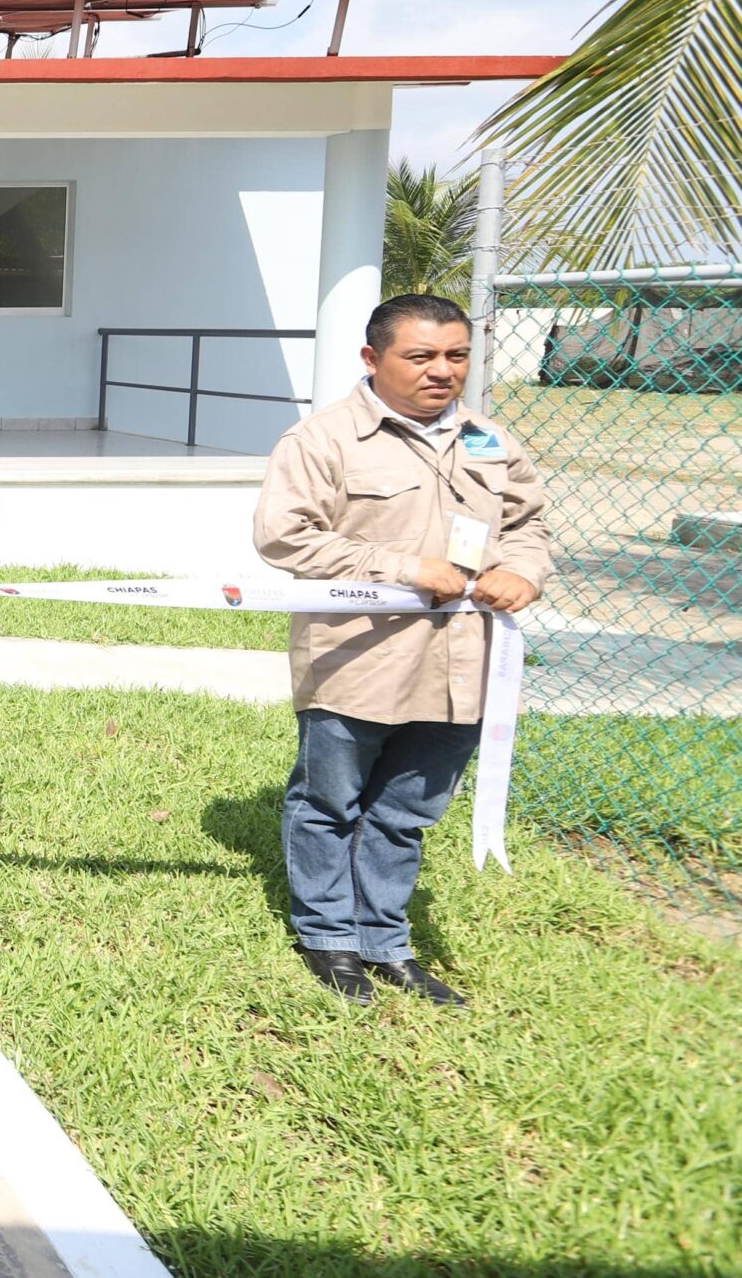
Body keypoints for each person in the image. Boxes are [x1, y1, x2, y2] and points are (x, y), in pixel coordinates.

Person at [253, 293, 550, 1007]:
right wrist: (402, 567)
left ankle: (385, 941)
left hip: (462, 666)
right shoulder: (322, 441)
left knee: (407, 813)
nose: (441, 371)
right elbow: (283, 536)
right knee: (330, 801)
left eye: (455, 356)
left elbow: (527, 524)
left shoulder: (490, 441)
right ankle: (328, 937)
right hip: (358, 661)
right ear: (372, 359)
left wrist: (521, 571)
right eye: (420, 356)